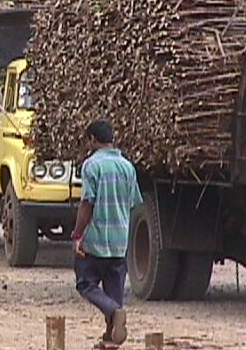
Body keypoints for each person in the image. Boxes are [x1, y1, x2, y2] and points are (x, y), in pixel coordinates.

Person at [71, 119, 143, 346]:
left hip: (96, 240)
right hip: (119, 242)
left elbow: (87, 204)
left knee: (86, 284)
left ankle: (114, 311)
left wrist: (78, 235)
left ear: (93, 139)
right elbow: (134, 203)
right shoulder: (128, 167)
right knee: (114, 288)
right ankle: (111, 336)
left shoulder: (92, 165)